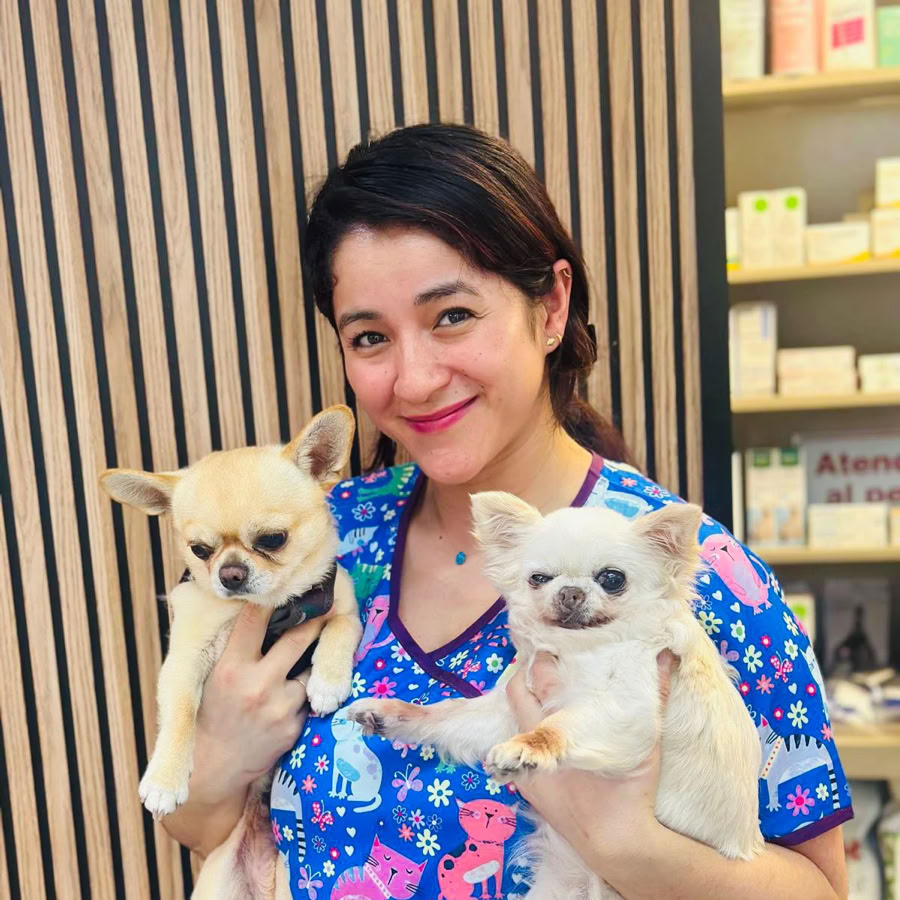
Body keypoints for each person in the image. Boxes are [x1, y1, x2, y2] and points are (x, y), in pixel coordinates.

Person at [163, 124, 851, 898]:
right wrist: (218, 756)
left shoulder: (695, 576)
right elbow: (208, 831)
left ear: (551, 306)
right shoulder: (317, 542)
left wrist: (619, 840)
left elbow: (819, 889)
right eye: (369, 337)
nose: (415, 378)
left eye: (452, 315)